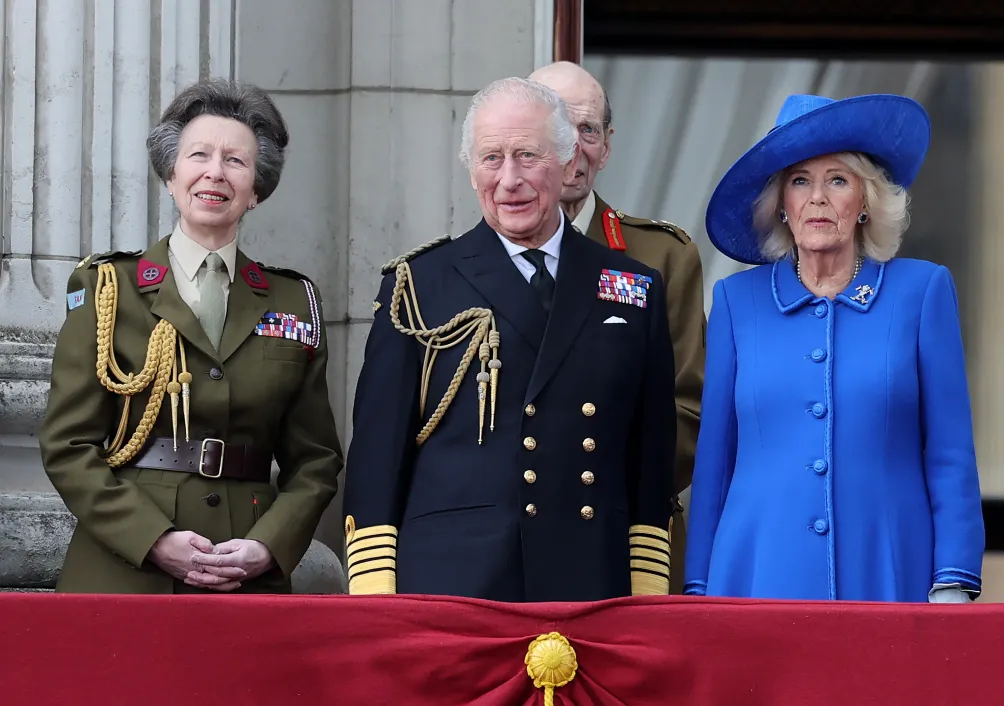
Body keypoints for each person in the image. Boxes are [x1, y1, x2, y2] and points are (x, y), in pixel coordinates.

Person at [342, 77, 677, 602]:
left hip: (589, 578)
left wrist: (647, 588)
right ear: (471, 168)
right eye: (491, 158)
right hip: (453, 581)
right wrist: (375, 591)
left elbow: (650, 454)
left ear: (568, 163)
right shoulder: (417, 285)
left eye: (528, 156)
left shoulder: (634, 287)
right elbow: (377, 452)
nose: (510, 179)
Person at [38, 79, 344, 594]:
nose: (214, 172)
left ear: (256, 192)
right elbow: (68, 444)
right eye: (198, 154)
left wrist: (268, 545)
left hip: (243, 571)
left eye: (235, 161)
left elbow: (315, 460)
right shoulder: (108, 287)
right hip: (125, 569)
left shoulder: (294, 302)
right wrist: (152, 538)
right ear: (171, 175)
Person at [683, 93, 985, 603]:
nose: (817, 199)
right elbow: (714, 462)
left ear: (865, 202)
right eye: (800, 181)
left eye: (838, 181)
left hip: (889, 567)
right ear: (781, 202)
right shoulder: (737, 302)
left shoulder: (922, 292)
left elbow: (951, 453)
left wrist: (953, 577)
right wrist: (700, 588)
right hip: (758, 574)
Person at [529, 61, 705, 593]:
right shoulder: (464, 264)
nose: (573, 147)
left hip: (628, 534)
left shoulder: (660, 256)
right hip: (510, 537)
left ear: (606, 146)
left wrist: (591, 485)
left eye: (588, 130)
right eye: (556, 128)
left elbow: (690, 412)